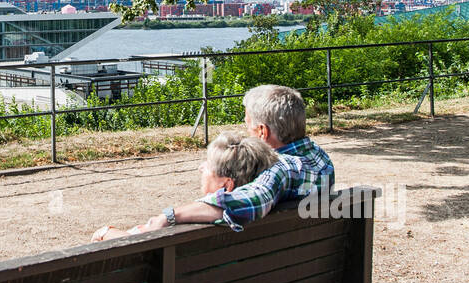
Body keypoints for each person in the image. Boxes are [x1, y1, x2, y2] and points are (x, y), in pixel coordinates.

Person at [122, 84, 333, 236]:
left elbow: (253, 201)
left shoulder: (282, 169)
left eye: (247, 126)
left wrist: (169, 216)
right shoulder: (321, 160)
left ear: (262, 132)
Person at [92, 131, 276, 241]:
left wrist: (105, 232)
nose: (200, 167)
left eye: (208, 165)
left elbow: (136, 247)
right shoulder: (265, 211)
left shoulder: (190, 222)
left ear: (227, 184)